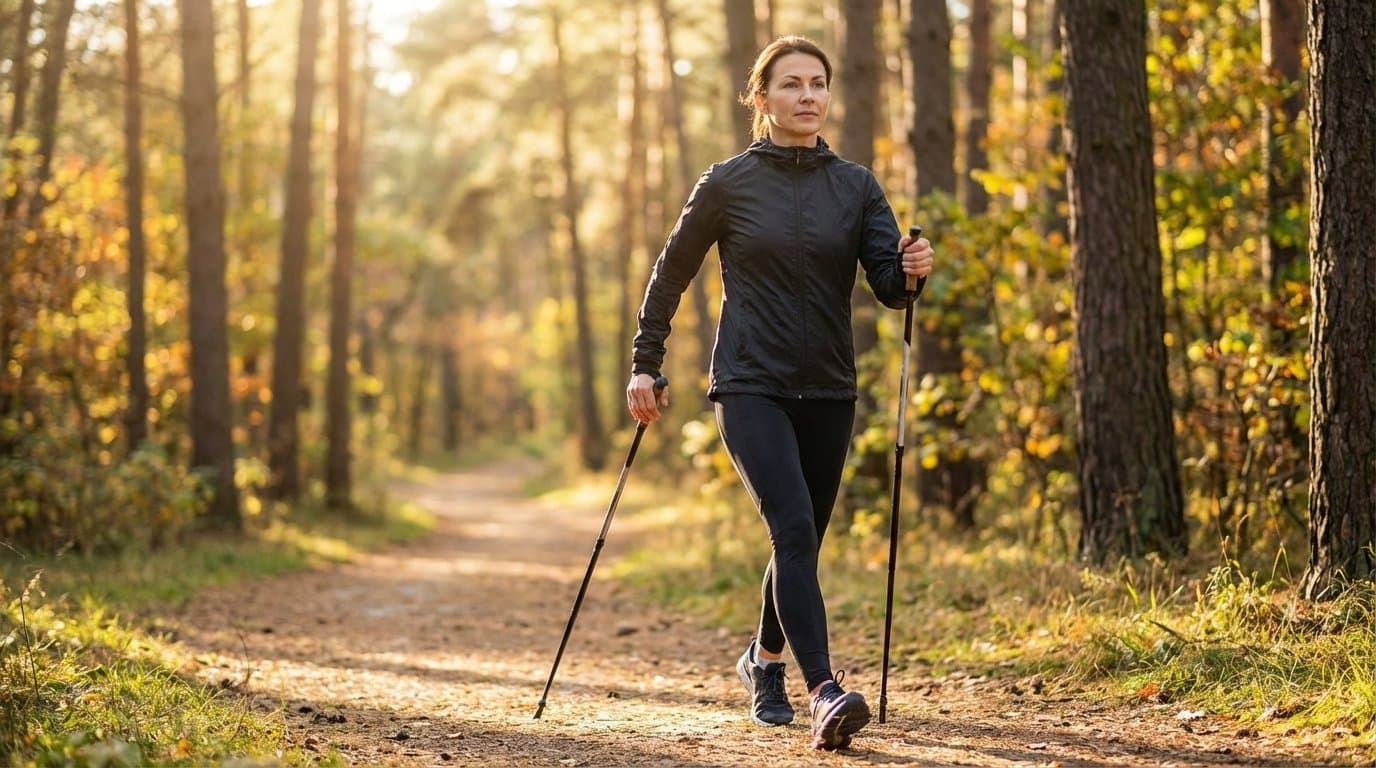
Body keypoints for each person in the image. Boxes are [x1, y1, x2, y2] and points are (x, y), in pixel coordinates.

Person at [625, 35, 935, 750]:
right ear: (761, 99)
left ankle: (762, 664)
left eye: (818, 83)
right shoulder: (728, 182)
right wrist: (647, 362)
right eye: (791, 84)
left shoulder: (856, 186)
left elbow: (890, 289)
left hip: (829, 386)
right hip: (750, 382)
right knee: (792, 528)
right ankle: (825, 690)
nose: (807, 96)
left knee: (801, 541)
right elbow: (670, 274)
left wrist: (914, 267)